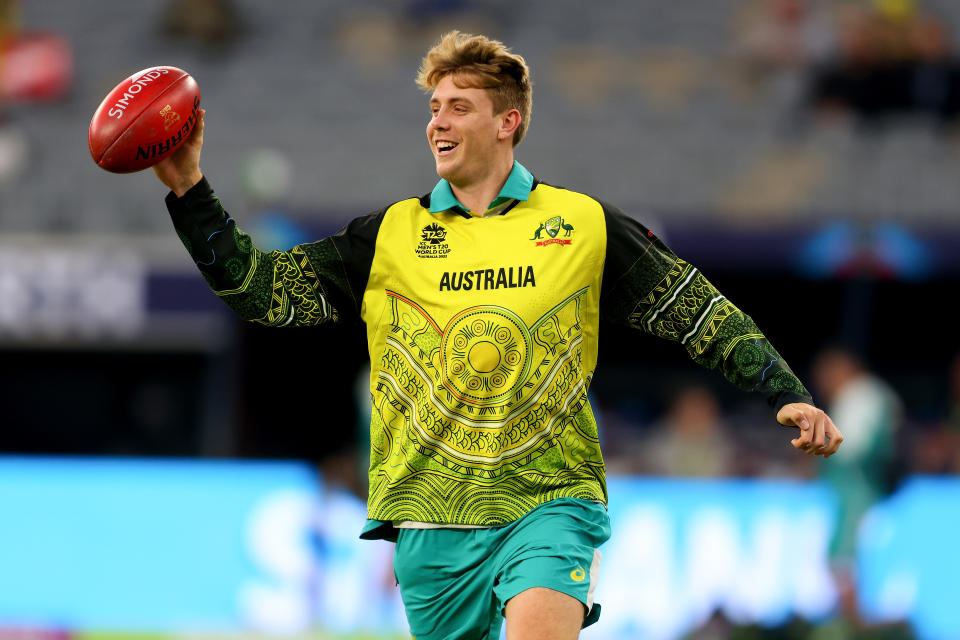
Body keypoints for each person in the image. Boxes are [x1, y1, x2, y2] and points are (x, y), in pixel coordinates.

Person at [153, 30, 843, 640]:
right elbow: (261, 293)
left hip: (548, 500)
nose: (438, 123)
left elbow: (696, 309)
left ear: (507, 121)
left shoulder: (582, 224)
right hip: (429, 522)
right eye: (433, 108)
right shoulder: (389, 235)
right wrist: (190, 190)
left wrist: (783, 390)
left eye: (459, 107)